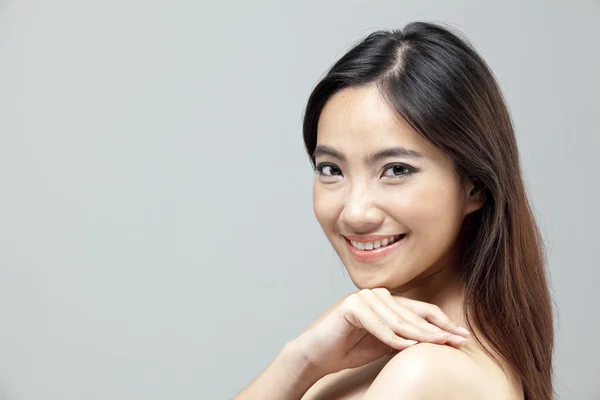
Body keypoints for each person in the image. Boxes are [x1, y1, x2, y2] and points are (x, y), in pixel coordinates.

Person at [234, 21, 553, 400]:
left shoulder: (425, 374)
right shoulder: (359, 326)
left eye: (396, 170)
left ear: (475, 184)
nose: (355, 212)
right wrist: (301, 360)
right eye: (331, 170)